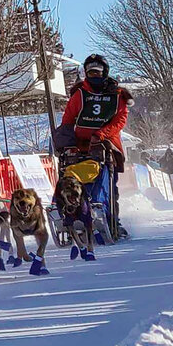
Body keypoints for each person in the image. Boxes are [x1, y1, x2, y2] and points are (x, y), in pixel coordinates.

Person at [54, 54, 133, 238]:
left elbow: (120, 120)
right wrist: (65, 139)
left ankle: (111, 219)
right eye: (90, 72)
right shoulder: (80, 93)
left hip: (106, 145)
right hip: (80, 146)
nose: (94, 75)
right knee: (72, 178)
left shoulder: (117, 94)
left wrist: (101, 134)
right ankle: (72, 212)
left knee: (107, 183)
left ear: (104, 72)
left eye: (97, 72)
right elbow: (68, 119)